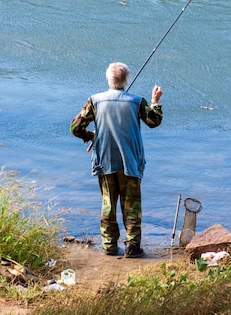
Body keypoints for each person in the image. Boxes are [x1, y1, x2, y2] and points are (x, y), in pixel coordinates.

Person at [70, 62, 163, 258]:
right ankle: (133, 247)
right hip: (130, 161)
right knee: (132, 205)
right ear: (126, 80)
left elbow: (75, 128)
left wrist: (91, 135)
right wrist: (155, 101)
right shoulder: (137, 101)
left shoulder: (94, 101)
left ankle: (109, 246)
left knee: (108, 203)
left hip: (105, 160)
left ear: (107, 80)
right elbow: (153, 122)